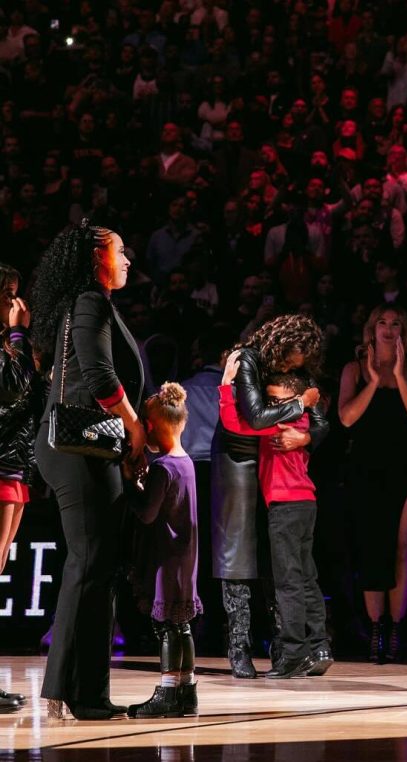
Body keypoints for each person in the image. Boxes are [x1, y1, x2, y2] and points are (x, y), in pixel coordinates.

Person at [31, 221, 146, 720]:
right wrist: (136, 427)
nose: (127, 260)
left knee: (97, 565)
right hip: (80, 449)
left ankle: (87, 694)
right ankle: (64, 690)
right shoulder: (89, 302)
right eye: (120, 250)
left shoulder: (86, 303)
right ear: (98, 255)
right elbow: (99, 377)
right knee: (89, 562)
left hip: (86, 448)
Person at [211, 314, 328, 678]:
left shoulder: (291, 400)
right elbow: (254, 418)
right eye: (292, 360)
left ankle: (295, 649)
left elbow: (320, 423)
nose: (294, 367)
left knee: (290, 573)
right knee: (251, 555)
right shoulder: (248, 359)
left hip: (286, 494)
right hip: (241, 454)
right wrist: (301, 404)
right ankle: (253, 646)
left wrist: (304, 435)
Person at [338, 304, 407, 662]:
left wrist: (400, 376)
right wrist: (374, 381)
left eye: (396, 323)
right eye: (382, 323)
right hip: (364, 467)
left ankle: (395, 627)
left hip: (403, 466)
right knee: (371, 548)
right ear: (371, 330)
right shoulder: (354, 369)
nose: (389, 329)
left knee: (402, 548)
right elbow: (346, 418)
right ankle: (376, 627)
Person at [126, 382, 201, 718]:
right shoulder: (186, 462)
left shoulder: (163, 467)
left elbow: (147, 513)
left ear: (151, 426)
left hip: (166, 558)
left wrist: (130, 482)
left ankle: (169, 692)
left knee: (167, 626)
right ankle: (187, 691)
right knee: (181, 624)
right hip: (186, 557)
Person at [0, 262, 34, 713]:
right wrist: (20, 335)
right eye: (8, 293)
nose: (15, 303)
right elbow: (12, 389)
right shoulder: (10, 343)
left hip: (13, 466)